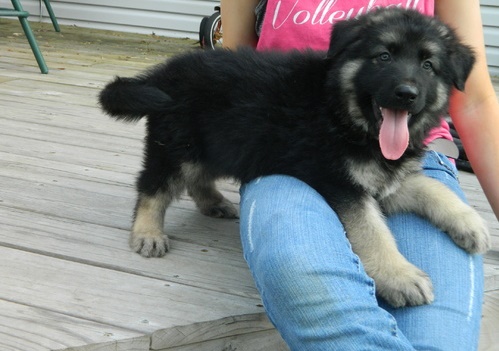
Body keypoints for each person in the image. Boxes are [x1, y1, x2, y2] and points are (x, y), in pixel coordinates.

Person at [220, 0, 499, 350]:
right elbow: (233, 67)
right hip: (286, 153)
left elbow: (474, 101)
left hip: (415, 159)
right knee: (302, 278)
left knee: (438, 335)